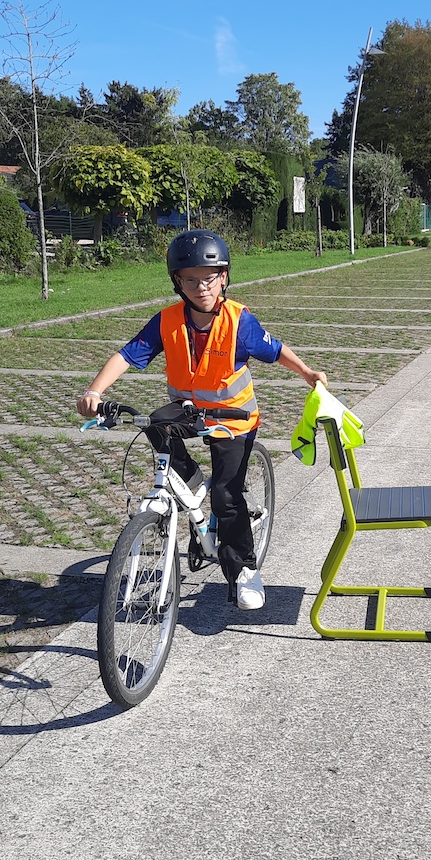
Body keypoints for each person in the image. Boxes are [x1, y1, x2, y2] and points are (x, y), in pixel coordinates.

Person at [76, 230, 327, 611]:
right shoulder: (166, 321)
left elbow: (276, 351)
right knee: (153, 425)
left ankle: (244, 570)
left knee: (226, 496)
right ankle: (191, 481)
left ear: (223, 277)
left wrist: (308, 373)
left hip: (234, 418)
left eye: (209, 278)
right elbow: (127, 355)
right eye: (190, 279)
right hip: (188, 411)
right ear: (177, 282)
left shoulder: (239, 321)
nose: (201, 287)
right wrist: (95, 391)